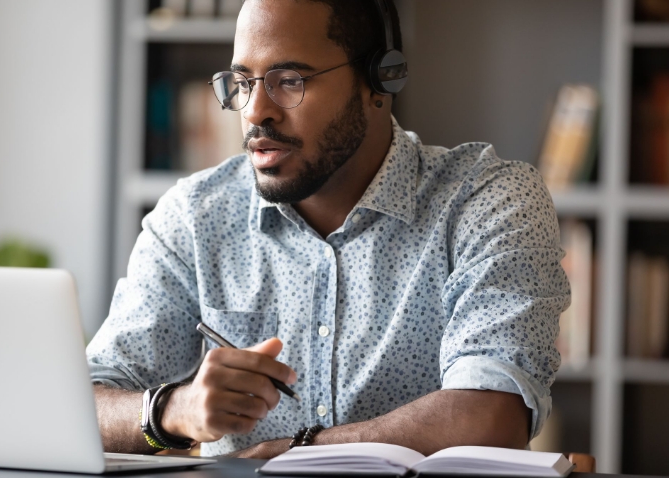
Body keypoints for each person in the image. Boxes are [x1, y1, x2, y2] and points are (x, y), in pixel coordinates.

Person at [86, 0, 570, 459]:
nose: (255, 111)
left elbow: (490, 415)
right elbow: (84, 403)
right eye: (242, 82)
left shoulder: (488, 202)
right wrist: (173, 410)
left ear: (379, 79)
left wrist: (304, 453)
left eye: (289, 80)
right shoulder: (196, 217)